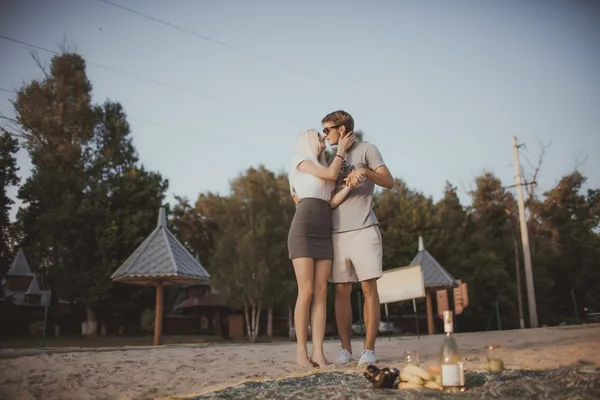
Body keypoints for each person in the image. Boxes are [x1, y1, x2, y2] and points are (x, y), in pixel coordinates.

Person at [321, 110, 394, 366]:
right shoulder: (332, 159)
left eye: (327, 129)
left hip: (364, 229)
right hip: (337, 234)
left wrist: (366, 172)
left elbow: (389, 181)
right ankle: (345, 349)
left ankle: (369, 350)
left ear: (341, 129)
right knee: (341, 290)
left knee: (368, 287)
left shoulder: (367, 150)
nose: (324, 134)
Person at [287, 128, 360, 368]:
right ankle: (301, 353)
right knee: (306, 291)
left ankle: (318, 353)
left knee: (321, 293)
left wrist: (348, 185)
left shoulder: (326, 164)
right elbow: (330, 174)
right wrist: (340, 151)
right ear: (307, 141)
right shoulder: (302, 161)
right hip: (303, 232)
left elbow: (330, 201)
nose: (322, 138)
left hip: (323, 233)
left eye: (323, 135)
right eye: (318, 136)